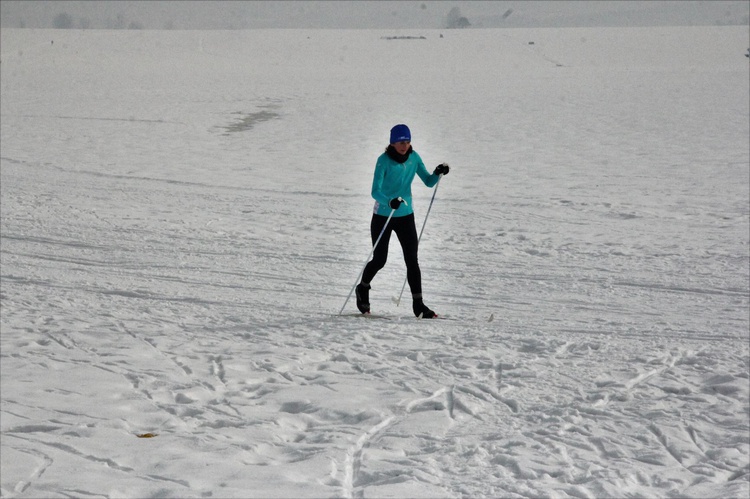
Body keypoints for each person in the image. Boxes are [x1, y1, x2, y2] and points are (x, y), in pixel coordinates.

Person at [356, 124, 450, 318]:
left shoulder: (414, 158)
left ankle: (419, 305)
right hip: (383, 215)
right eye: (400, 142)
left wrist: (438, 173)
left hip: (406, 216)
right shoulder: (383, 161)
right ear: (392, 142)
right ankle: (363, 288)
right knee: (380, 259)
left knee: (412, 261)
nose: (404, 146)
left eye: (407, 142)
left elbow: (428, 181)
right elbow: (375, 191)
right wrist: (389, 201)